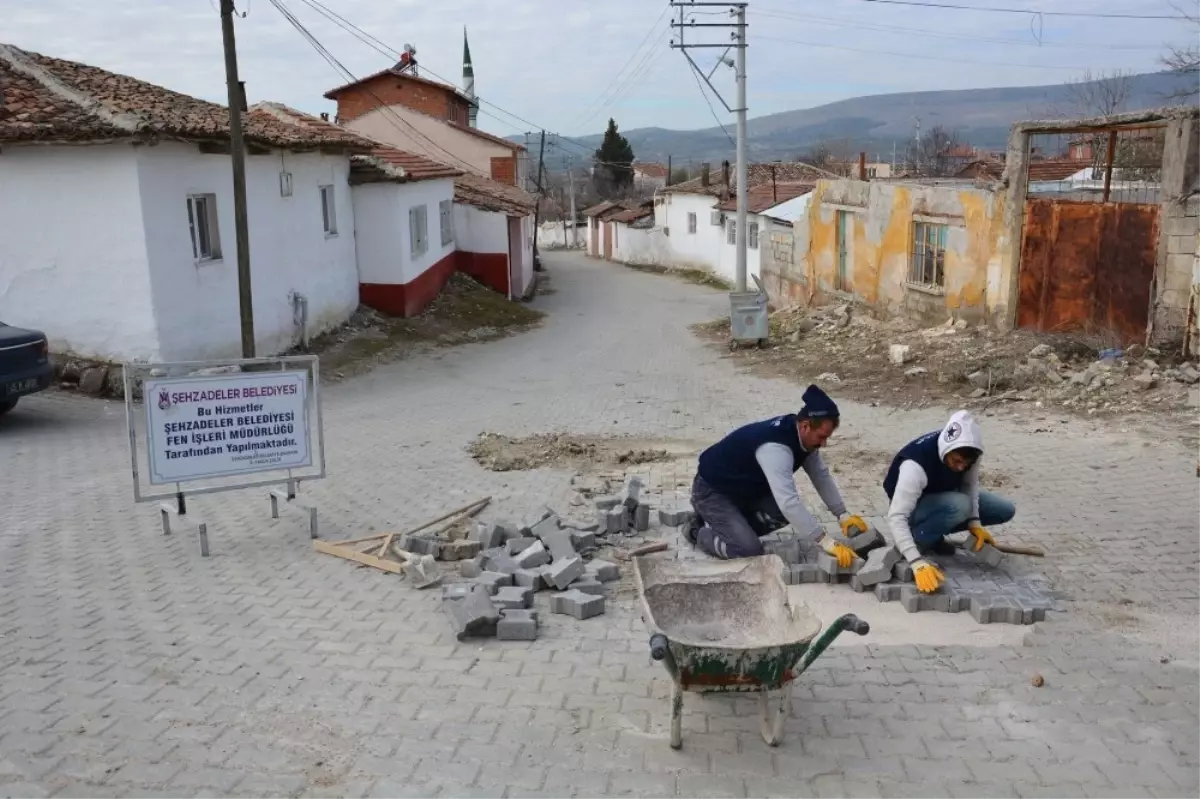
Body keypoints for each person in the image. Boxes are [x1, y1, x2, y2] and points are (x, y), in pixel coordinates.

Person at [686, 385, 868, 565]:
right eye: (821, 437)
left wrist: (842, 514)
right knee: (747, 550)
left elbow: (820, 475)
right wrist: (826, 542)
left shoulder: (801, 436)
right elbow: (788, 503)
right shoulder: (776, 449)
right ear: (805, 426)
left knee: (780, 514)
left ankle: (730, 526)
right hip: (712, 491)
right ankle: (698, 531)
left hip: (742, 490)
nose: (824, 443)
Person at [883, 410, 1016, 594]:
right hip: (912, 508)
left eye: (966, 464)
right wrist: (916, 562)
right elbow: (896, 516)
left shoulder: (969, 453)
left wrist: (974, 524)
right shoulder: (915, 466)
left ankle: (934, 535)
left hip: (943, 498)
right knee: (959, 505)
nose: (961, 467)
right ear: (947, 448)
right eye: (957, 461)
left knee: (1004, 509)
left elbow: (970, 486)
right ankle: (918, 540)